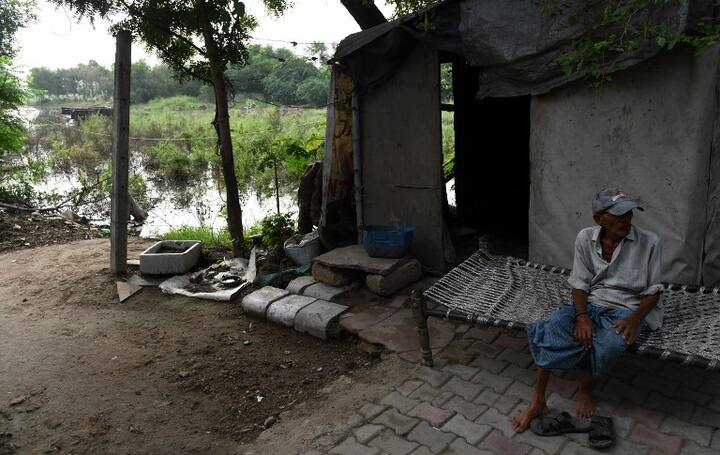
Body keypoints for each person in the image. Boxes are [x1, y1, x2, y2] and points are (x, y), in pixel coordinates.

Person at [511, 188, 664, 432]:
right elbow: (579, 284)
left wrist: (635, 320)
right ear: (599, 219)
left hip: (627, 308)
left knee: (609, 345)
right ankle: (538, 400)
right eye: (617, 216)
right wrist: (582, 317)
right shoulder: (585, 238)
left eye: (629, 215)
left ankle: (585, 389)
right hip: (591, 304)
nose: (625, 221)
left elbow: (654, 291)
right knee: (552, 328)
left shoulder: (650, 242)